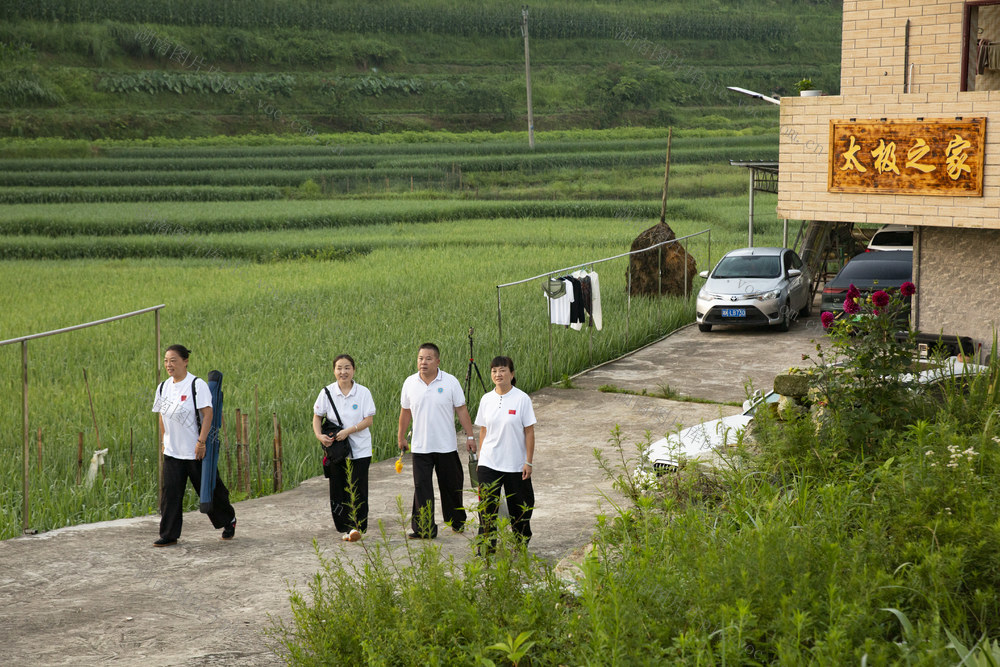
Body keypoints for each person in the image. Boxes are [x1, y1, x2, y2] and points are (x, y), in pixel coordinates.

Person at [151, 344, 236, 547]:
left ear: (185, 361)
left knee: (209, 489)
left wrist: (201, 442)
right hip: (173, 451)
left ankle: (228, 520)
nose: (169, 365)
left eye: (173, 360)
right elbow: (162, 417)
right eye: (166, 361)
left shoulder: (196, 385)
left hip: (195, 451)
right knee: (170, 494)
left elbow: (208, 414)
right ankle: (169, 534)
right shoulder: (163, 387)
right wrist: (164, 441)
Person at [398, 342, 476, 539]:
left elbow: (461, 410)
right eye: (420, 358)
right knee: (421, 487)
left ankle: (456, 520)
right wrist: (401, 436)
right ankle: (424, 528)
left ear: (438, 361)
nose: (423, 362)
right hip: (420, 446)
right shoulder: (410, 383)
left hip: (446, 445)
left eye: (428, 358)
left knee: (452, 484)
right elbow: (405, 412)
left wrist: (470, 435)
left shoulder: (450, 382)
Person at [473, 356, 536, 553]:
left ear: (512, 373)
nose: (498, 374)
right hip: (489, 462)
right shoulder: (486, 399)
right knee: (487, 508)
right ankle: (485, 547)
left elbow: (529, 432)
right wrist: (481, 457)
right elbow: (483, 430)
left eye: (502, 370)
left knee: (520, 506)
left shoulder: (521, 399)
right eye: (494, 371)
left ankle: (521, 541)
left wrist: (529, 462)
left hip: (515, 464)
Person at [312, 354, 376, 542]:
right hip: (337, 451)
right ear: (334, 371)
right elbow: (317, 416)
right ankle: (344, 527)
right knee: (338, 489)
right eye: (339, 368)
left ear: (353, 370)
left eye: (347, 367)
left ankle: (357, 527)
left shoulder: (363, 393)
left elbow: (368, 420)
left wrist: (349, 430)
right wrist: (319, 435)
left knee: (358, 488)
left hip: (360, 450)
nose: (343, 372)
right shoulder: (327, 393)